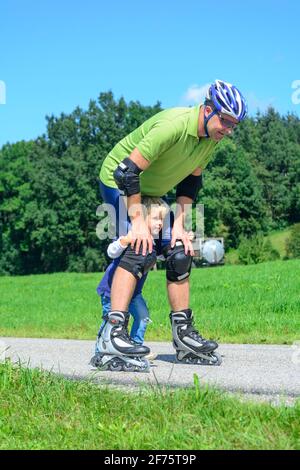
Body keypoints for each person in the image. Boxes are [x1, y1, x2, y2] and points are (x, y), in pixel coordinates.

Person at [95, 79, 248, 371]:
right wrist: (138, 222)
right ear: (207, 110)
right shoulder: (174, 125)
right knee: (139, 246)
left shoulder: (211, 140)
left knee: (180, 251)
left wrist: (179, 226)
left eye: (233, 126)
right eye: (225, 122)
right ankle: (111, 334)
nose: (228, 130)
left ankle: (183, 335)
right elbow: (126, 171)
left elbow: (191, 181)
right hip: (119, 182)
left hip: (152, 188)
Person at [91, 197, 168, 369]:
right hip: (112, 291)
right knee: (111, 320)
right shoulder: (133, 234)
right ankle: (100, 352)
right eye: (156, 218)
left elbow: (165, 256)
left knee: (142, 316)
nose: (160, 223)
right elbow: (111, 252)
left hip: (134, 293)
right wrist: (124, 240)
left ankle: (134, 346)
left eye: (162, 219)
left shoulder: (155, 242)